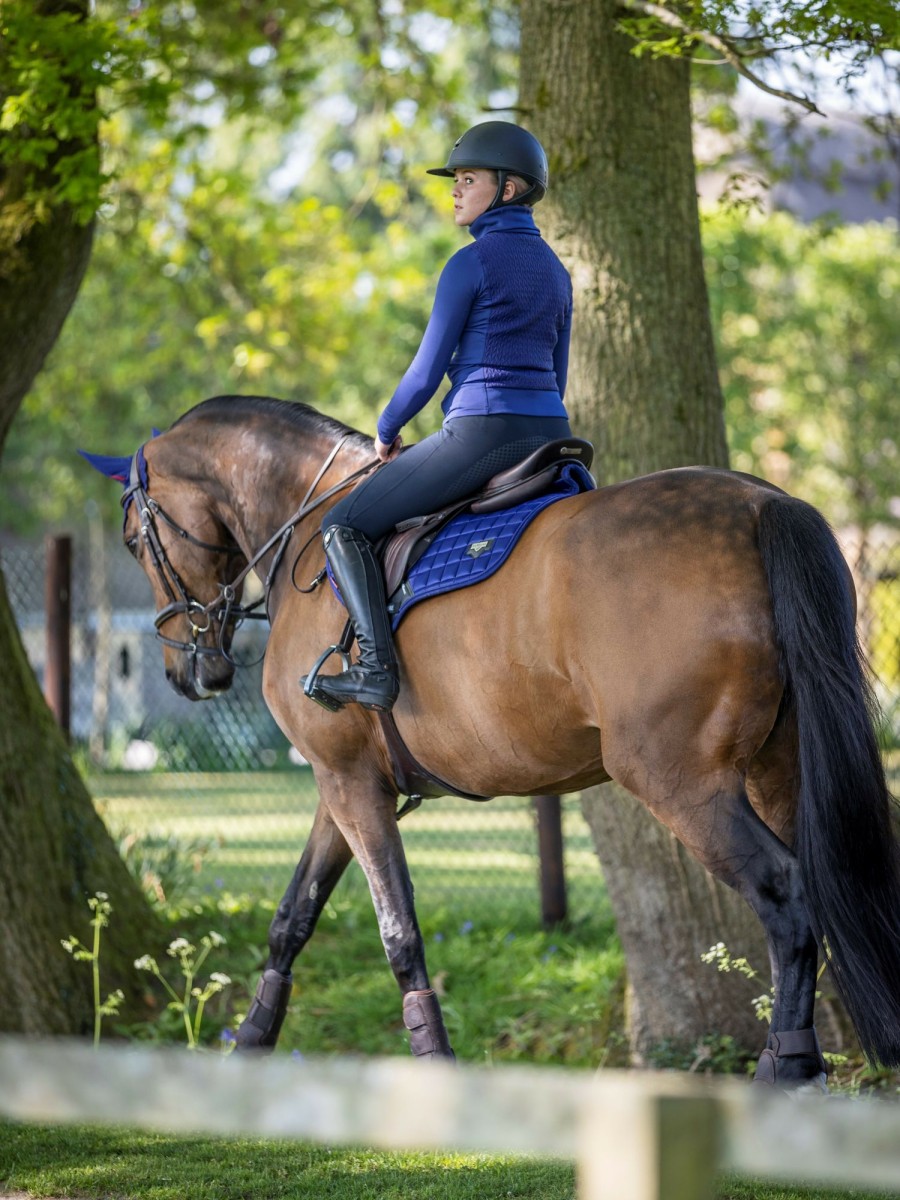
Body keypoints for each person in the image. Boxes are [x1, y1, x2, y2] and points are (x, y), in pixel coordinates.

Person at [302, 120, 574, 714]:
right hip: (554, 435)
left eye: (468, 178)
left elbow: (426, 374)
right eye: (455, 179)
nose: (455, 189)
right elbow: (559, 371)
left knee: (342, 526)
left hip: (482, 432)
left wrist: (385, 429)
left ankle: (374, 669)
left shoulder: (469, 264)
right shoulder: (557, 272)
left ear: (507, 189)